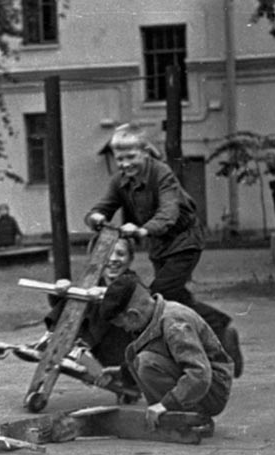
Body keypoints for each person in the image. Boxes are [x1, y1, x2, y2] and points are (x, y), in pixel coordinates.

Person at [85, 123, 243, 377]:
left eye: (131, 157)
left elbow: (169, 212)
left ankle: (141, 366)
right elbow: (104, 205)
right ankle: (221, 332)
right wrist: (95, 216)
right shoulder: (120, 181)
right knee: (178, 299)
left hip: (183, 243)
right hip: (160, 248)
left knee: (155, 298)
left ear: (145, 152)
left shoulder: (162, 174)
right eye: (120, 159)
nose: (125, 164)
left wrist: (143, 230)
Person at [98, 274, 233, 429]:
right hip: (203, 387)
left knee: (145, 362)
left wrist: (165, 404)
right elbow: (161, 351)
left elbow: (199, 373)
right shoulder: (154, 316)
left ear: (134, 314)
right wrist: (123, 372)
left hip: (211, 391)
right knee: (137, 360)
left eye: (123, 325)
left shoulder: (174, 323)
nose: (126, 329)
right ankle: (174, 414)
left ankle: (194, 419)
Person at [26, 236, 141, 402]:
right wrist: (62, 290)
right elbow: (65, 304)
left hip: (119, 348)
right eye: (107, 254)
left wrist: (105, 293)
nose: (113, 259)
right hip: (97, 346)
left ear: (130, 259)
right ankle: (53, 336)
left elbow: (133, 299)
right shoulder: (93, 280)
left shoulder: (133, 281)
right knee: (77, 296)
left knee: (105, 302)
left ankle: (78, 347)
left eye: (120, 254)